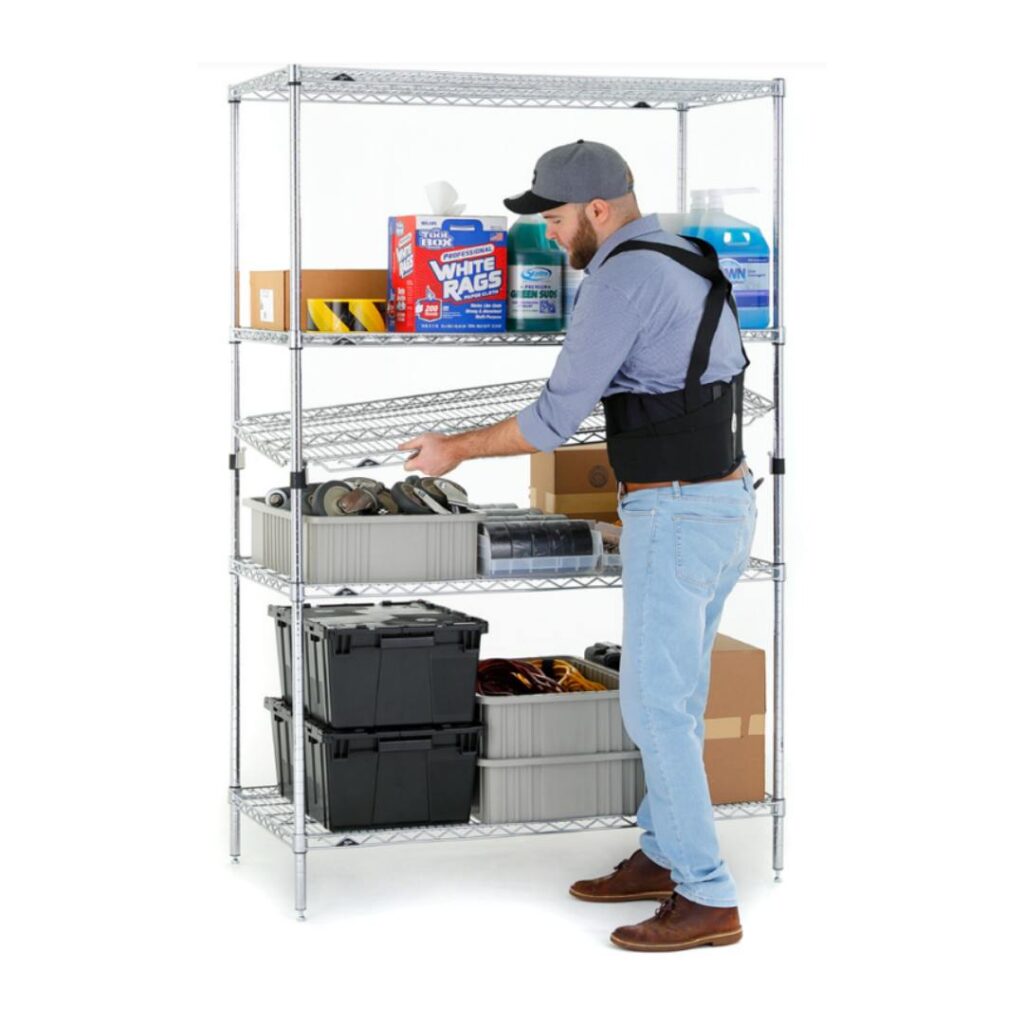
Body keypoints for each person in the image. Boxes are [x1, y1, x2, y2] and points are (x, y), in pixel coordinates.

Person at [399, 140, 758, 953]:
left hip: (677, 511)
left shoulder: (621, 278)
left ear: (599, 209)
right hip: (723, 505)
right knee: (676, 700)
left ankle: (707, 897)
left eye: (556, 219)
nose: (550, 236)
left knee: (654, 708)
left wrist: (454, 449)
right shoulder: (688, 257)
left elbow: (550, 423)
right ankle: (663, 853)